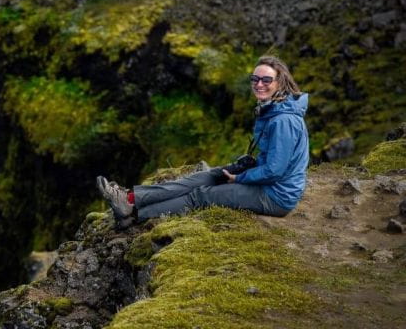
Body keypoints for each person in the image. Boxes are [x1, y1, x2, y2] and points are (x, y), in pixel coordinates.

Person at [97, 55, 310, 227]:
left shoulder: (283, 120)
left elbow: (275, 170)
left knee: (203, 195)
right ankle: (130, 198)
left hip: (276, 196)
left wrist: (240, 178)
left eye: (266, 80)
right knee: (205, 177)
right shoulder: (274, 108)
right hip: (268, 181)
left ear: (280, 81)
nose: (259, 84)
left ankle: (134, 216)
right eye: (255, 79)